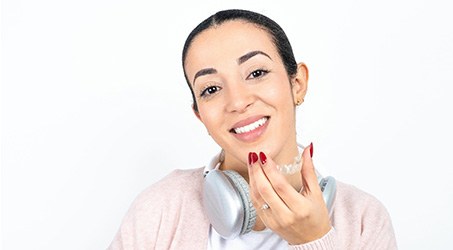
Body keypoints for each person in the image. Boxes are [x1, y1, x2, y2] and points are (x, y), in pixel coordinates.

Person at [108, 9, 397, 250]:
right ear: (200, 115)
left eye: (256, 73)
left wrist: (314, 240)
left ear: (297, 84)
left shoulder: (362, 220)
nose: (237, 101)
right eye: (211, 89)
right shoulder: (160, 208)